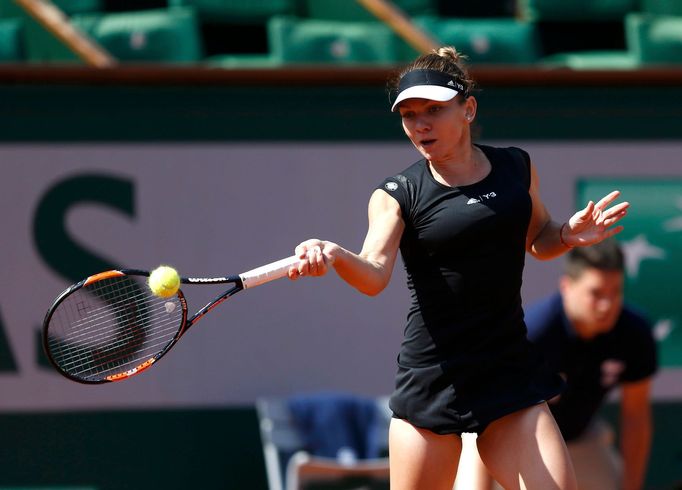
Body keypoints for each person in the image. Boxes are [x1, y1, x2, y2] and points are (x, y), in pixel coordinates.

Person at [287, 46, 629, 490]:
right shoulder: (397, 193)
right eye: (409, 114)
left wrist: (565, 234)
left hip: (508, 373)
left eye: (433, 109)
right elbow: (372, 274)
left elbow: (539, 239)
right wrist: (335, 255)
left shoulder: (516, 167)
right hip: (433, 379)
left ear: (468, 109)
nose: (420, 124)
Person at [459, 239, 658, 490]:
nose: (607, 305)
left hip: (582, 437)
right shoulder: (531, 334)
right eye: (595, 294)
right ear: (567, 287)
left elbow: (636, 416)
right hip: (513, 441)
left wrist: (632, 486)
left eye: (615, 292)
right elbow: (487, 421)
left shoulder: (634, 333)